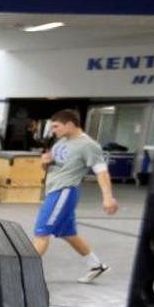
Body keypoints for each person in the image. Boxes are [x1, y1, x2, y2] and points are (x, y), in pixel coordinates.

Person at [33, 109, 119, 283]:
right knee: (68, 233)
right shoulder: (60, 142)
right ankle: (95, 265)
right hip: (53, 190)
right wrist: (44, 163)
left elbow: (101, 172)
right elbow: (51, 168)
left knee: (41, 233)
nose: (53, 130)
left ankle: (22, 273)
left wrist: (108, 197)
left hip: (63, 192)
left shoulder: (88, 145)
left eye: (56, 126)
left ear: (70, 124)